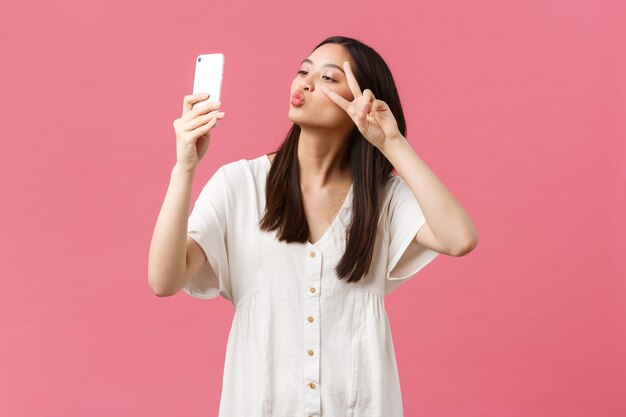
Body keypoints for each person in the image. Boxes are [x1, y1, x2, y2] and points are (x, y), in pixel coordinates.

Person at [148, 35, 478, 417]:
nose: (304, 83)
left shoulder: (382, 197)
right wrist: (184, 168)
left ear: (364, 100)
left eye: (329, 78)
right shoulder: (241, 184)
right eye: (304, 71)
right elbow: (163, 280)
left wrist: (392, 143)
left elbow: (460, 239)